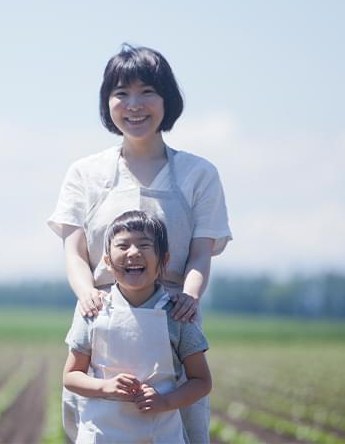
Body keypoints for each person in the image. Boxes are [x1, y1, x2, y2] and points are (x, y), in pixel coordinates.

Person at [48, 44, 232, 443]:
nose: (134, 105)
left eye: (147, 91)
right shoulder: (85, 173)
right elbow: (74, 251)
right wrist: (87, 297)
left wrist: (189, 297)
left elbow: (201, 252)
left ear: (168, 99)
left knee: (182, 430)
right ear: (107, 103)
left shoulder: (198, 174)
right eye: (121, 93)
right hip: (103, 318)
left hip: (173, 317)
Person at [63, 210, 212, 443]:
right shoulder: (93, 311)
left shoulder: (177, 314)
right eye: (123, 246)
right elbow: (71, 375)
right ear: (108, 262)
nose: (133, 253)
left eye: (144, 245)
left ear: (163, 260)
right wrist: (105, 387)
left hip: (161, 434)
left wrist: (165, 401)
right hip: (101, 434)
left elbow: (201, 381)